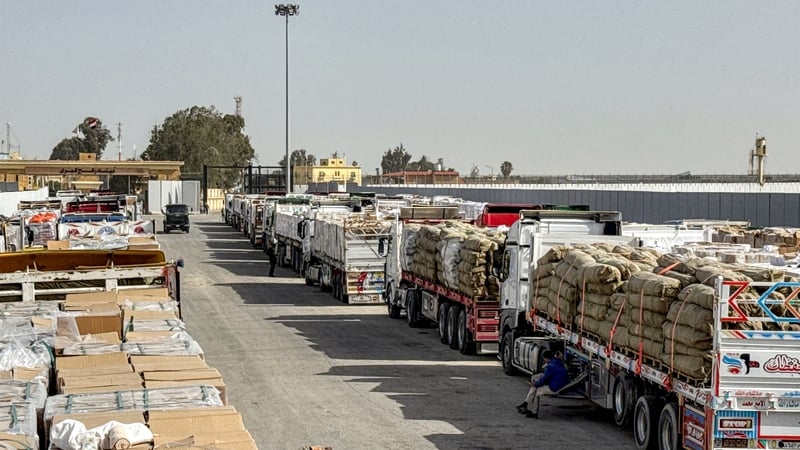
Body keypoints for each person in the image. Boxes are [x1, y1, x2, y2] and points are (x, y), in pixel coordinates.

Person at [516, 350, 568, 419]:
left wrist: (535, 384)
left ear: (546, 358)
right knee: (535, 384)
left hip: (555, 387)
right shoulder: (557, 362)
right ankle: (525, 403)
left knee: (537, 391)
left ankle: (534, 411)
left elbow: (544, 380)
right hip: (561, 383)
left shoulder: (550, 366)